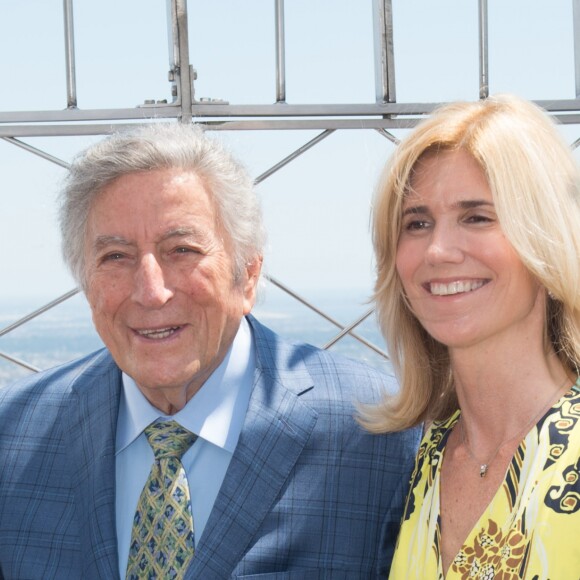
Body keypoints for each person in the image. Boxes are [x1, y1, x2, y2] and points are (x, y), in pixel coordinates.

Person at [0, 123, 420, 579]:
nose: (151, 291)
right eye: (115, 257)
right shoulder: (14, 432)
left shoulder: (378, 429)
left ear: (249, 276)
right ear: (86, 282)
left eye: (181, 249)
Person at [362, 94, 580, 578]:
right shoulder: (420, 457)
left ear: (543, 236)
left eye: (476, 217)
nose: (438, 250)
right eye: (416, 223)